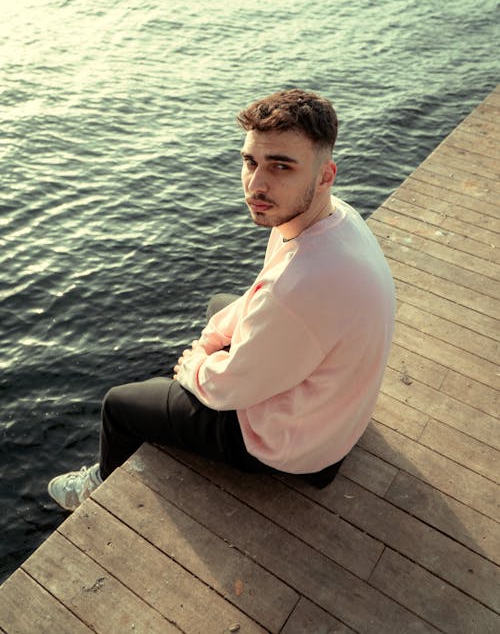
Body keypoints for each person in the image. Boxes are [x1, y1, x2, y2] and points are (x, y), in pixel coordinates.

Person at [48, 89, 395, 511]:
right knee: (219, 306)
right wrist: (214, 338)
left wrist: (195, 366)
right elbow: (259, 297)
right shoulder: (331, 216)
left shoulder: (298, 285)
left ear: (326, 175)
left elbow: (227, 387)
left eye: (282, 166)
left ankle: (96, 485)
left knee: (121, 404)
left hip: (297, 448)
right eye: (251, 162)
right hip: (336, 410)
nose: (257, 184)